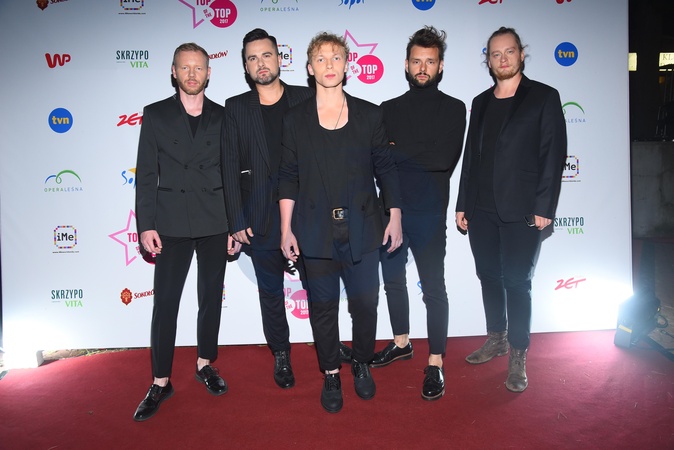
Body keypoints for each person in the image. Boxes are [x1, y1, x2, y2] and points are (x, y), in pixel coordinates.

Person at [278, 32, 402, 413]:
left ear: (347, 65)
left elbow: (386, 168)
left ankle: (361, 361)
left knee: (365, 304)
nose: (329, 65)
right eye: (321, 59)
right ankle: (331, 372)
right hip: (314, 230)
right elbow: (288, 176)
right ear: (310, 68)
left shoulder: (370, 114)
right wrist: (286, 228)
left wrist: (395, 214)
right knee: (323, 307)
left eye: (336, 58)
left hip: (364, 227)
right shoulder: (294, 119)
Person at [133, 42, 241, 421]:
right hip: (171, 223)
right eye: (185, 67)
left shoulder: (225, 117)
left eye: (198, 68)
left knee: (210, 297)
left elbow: (232, 174)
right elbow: (147, 174)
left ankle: (205, 363)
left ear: (209, 73)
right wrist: (146, 225)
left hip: (215, 221)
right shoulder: (156, 114)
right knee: (165, 303)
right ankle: (160, 381)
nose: (192, 74)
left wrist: (235, 224)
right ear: (174, 71)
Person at [455, 27, 566, 393]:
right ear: (488, 60)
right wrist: (463, 203)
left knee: (517, 281)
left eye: (509, 51)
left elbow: (553, 154)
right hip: (481, 209)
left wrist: (544, 205)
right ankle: (497, 338)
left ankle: (518, 352)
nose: (503, 59)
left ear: (521, 54)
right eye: (495, 53)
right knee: (488, 276)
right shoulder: (480, 102)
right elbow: (471, 159)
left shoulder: (544, 97)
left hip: (523, 211)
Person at [371, 26, 466, 401]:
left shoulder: (455, 108)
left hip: (429, 214)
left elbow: (442, 160)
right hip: (391, 211)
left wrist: (399, 150)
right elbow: (380, 161)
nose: (423, 67)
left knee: (434, 288)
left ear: (440, 66)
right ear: (406, 65)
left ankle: (436, 362)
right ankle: (401, 343)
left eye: (430, 61)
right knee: (392, 282)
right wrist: (409, 153)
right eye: (416, 61)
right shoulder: (388, 109)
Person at [222, 28, 314, 389]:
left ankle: (329, 344)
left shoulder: (307, 97)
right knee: (271, 293)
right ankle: (281, 353)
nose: (260, 63)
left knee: (320, 287)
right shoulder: (236, 108)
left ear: (279, 58)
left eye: (266, 55)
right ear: (246, 67)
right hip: (259, 216)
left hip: (306, 213)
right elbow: (229, 165)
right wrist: (236, 219)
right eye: (252, 58)